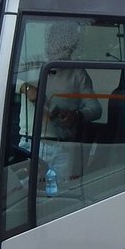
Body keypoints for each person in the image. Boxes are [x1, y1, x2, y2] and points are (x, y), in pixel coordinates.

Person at [19, 20, 101, 185]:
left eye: (67, 41)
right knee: (25, 194)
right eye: (57, 38)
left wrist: (77, 115)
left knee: (63, 198)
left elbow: (96, 109)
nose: (61, 44)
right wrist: (25, 88)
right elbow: (5, 78)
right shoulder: (32, 63)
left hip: (64, 147)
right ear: (49, 39)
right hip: (29, 142)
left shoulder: (78, 73)